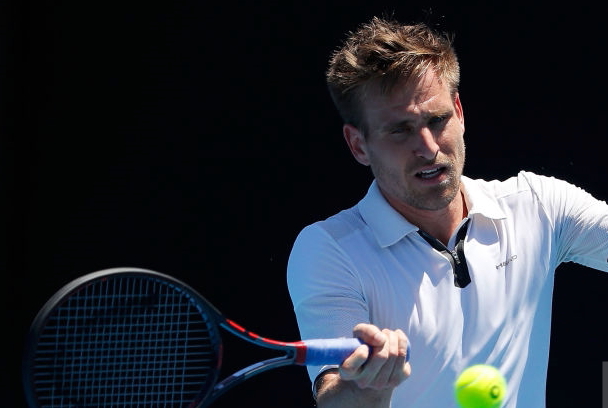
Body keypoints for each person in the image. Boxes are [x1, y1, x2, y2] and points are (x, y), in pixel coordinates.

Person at [286, 16, 608, 408]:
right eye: (400, 130)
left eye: (437, 120)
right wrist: (366, 388)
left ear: (459, 111)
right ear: (358, 145)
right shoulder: (328, 250)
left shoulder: (540, 206)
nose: (428, 147)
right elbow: (335, 397)